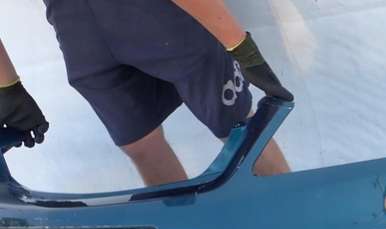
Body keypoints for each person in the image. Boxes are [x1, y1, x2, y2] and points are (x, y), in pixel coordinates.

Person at [0, 0, 293, 185]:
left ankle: (291, 226)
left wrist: (8, 87)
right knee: (234, 130)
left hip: (83, 28)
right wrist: (237, 43)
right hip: (97, 24)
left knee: (237, 129)